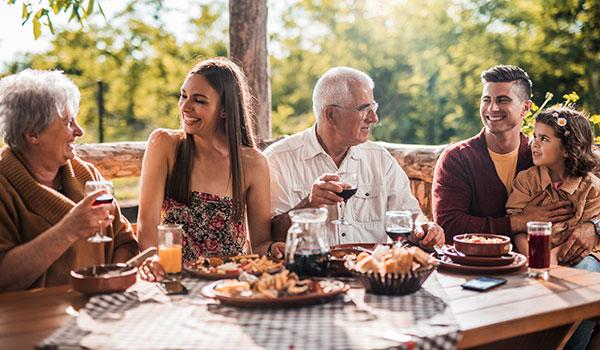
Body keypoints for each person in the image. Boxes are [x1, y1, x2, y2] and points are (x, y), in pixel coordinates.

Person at [432, 65, 600, 350]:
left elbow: (592, 192)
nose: (492, 108)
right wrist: (520, 222)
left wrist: (594, 227)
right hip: (483, 275)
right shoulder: (457, 159)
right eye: (487, 99)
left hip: (547, 272)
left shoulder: (549, 155)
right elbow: (450, 227)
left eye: (502, 99)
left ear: (526, 108)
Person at [265, 66, 444, 249]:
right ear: (331, 115)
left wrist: (423, 228)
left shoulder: (380, 159)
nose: (374, 118)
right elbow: (269, 235)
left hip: (374, 272)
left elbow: (409, 215)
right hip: (310, 274)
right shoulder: (278, 160)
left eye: (373, 107)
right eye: (364, 109)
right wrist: (309, 204)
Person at [137, 57, 284, 280]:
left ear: (225, 110)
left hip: (230, 283)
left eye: (199, 101)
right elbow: (147, 226)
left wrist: (273, 249)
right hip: (176, 279)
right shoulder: (165, 145)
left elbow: (260, 244)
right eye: (183, 95)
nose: (185, 107)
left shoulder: (253, 163)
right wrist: (156, 260)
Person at [0, 69, 138, 291]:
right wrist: (68, 230)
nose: (79, 131)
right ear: (33, 134)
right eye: (68, 122)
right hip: (27, 317)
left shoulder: (88, 176)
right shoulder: (4, 186)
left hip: (94, 308)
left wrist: (110, 280)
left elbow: (124, 241)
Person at [507, 107, 600, 266]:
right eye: (534, 136)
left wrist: (551, 259)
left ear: (567, 149)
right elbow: (518, 229)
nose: (534, 143)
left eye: (544, 139)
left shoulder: (591, 187)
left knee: (586, 266)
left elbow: (583, 237)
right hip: (532, 256)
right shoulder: (526, 180)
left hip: (579, 257)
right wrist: (532, 256)